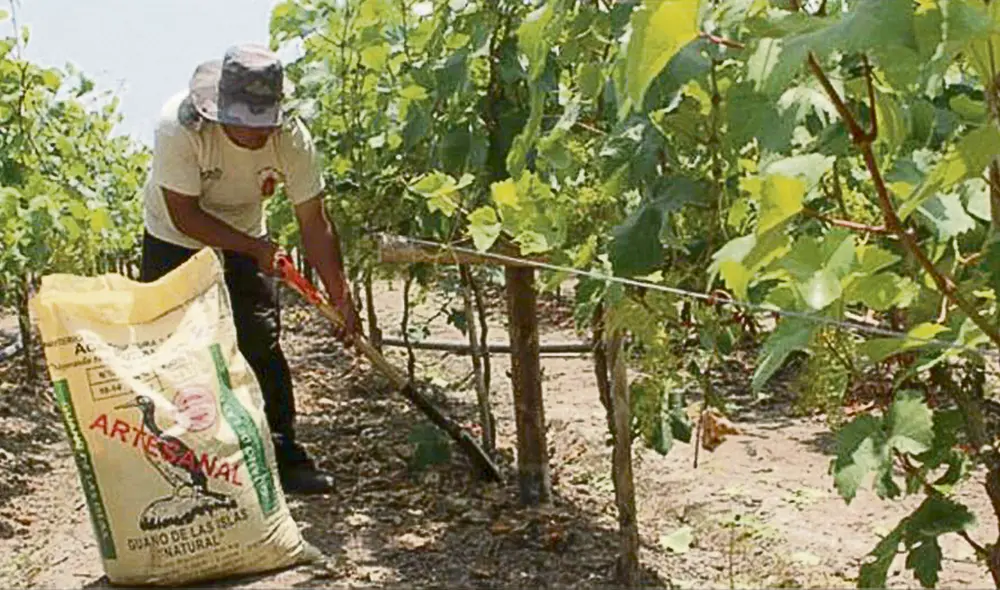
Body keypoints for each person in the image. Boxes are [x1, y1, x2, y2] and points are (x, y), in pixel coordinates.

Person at [138, 43, 360, 495]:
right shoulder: (179, 127)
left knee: (258, 338)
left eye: (265, 123)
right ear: (218, 109)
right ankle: (181, 464)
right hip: (173, 234)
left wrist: (340, 292)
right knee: (171, 345)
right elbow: (184, 214)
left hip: (245, 228)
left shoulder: (292, 139)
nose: (257, 135)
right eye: (244, 123)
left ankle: (282, 454)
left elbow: (313, 223)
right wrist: (255, 248)